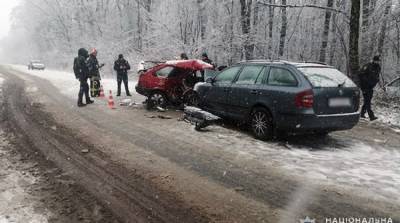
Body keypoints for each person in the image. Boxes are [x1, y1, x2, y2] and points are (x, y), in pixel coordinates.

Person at [358, 55, 381, 121]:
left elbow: (377, 76)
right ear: (373, 60)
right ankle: (371, 116)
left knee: (368, 100)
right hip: (365, 86)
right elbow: (360, 74)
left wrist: (377, 80)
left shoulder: (378, 67)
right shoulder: (367, 66)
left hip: (371, 87)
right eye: (376, 61)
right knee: (367, 101)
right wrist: (366, 82)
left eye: (378, 61)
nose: (377, 62)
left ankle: (362, 113)